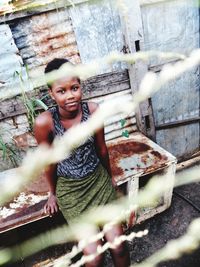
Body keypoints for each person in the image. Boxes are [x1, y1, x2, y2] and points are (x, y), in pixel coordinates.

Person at [34, 58, 130, 267]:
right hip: (71, 190)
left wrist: (110, 178)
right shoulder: (45, 123)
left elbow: (102, 149)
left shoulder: (93, 110)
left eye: (74, 88)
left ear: (81, 86)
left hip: (98, 180)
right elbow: (49, 163)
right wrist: (53, 193)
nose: (70, 96)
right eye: (62, 91)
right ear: (51, 93)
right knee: (94, 257)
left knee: (119, 246)